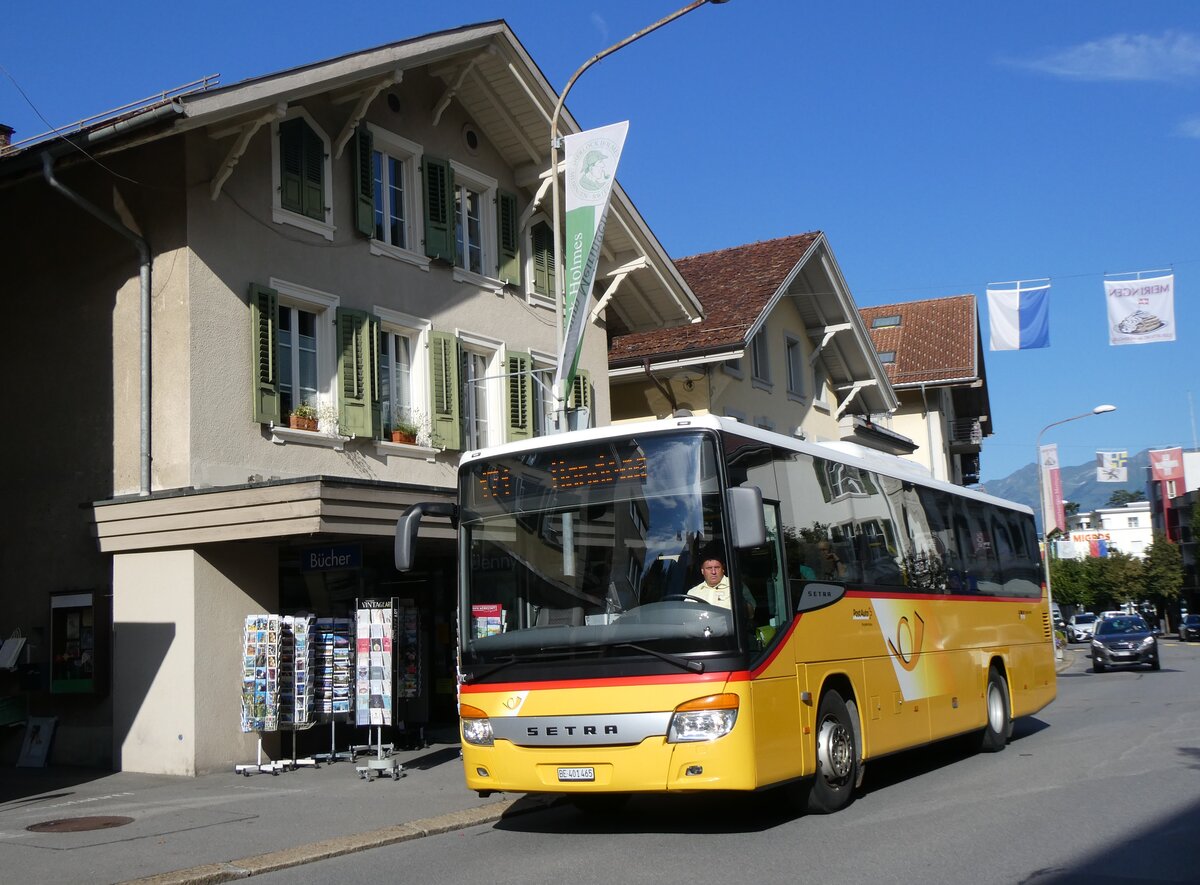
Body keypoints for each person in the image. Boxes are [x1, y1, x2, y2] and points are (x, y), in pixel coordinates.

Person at [689, 556, 755, 615]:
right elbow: (688, 616)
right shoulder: (693, 592)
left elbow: (751, 614)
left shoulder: (736, 586)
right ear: (702, 571)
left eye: (717, 567)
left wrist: (741, 599)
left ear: (723, 569)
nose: (713, 572)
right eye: (709, 568)